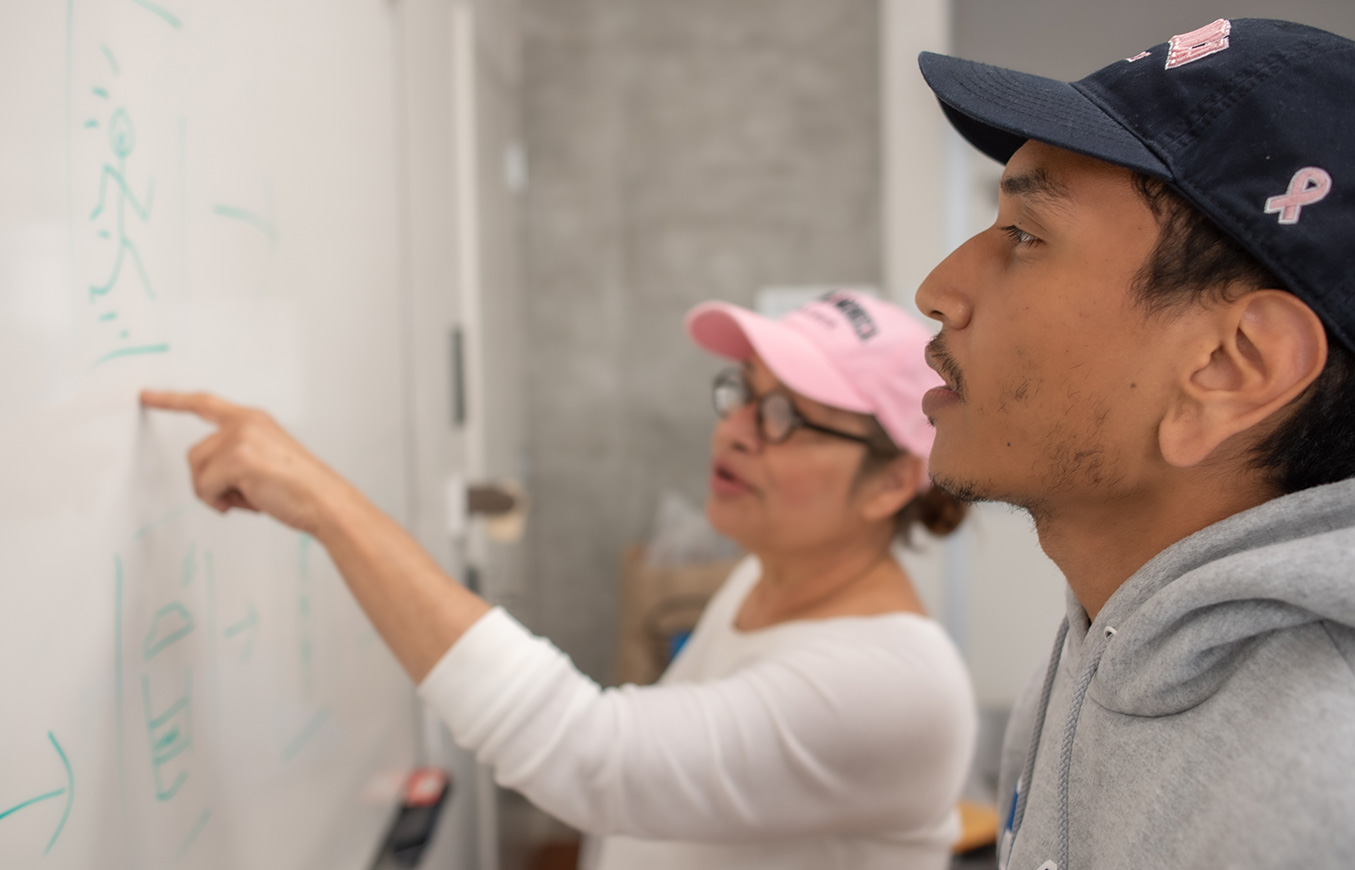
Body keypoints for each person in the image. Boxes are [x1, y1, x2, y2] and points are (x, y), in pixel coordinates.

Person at [141, 290, 977, 870]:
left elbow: (592, 757)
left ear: (891, 481)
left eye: (786, 415)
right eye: (740, 393)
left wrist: (328, 505)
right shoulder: (765, 578)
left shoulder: (894, 684)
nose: (735, 431)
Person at [911, 17, 1355, 870]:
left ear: (1230, 366)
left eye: (1026, 236)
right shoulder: (1108, 634)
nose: (938, 290)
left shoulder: (1321, 788)